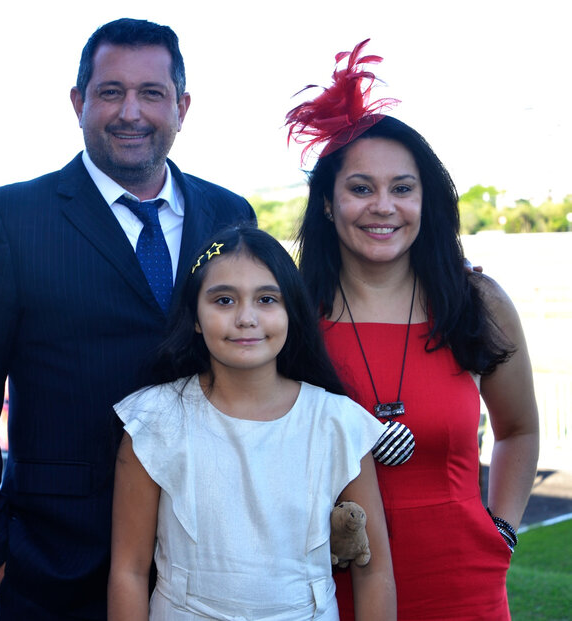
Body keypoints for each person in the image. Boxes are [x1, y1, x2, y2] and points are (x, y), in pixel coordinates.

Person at [0, 18, 256, 620]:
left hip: (216, 556)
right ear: (78, 102)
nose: (131, 112)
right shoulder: (12, 219)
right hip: (57, 565)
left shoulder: (230, 214)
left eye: (151, 94)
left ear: (182, 107)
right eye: (111, 92)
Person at [286, 40, 540, 620]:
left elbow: (519, 431)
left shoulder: (478, 303)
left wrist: (500, 528)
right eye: (360, 188)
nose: (383, 206)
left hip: (462, 583)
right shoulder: (290, 313)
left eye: (402, 188)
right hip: (325, 586)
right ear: (327, 202)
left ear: (426, 200)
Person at [108, 225, 395, 620]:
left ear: (290, 310)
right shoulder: (155, 421)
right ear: (194, 317)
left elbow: (374, 569)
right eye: (224, 300)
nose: (246, 318)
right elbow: (129, 570)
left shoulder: (336, 423)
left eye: (266, 299)